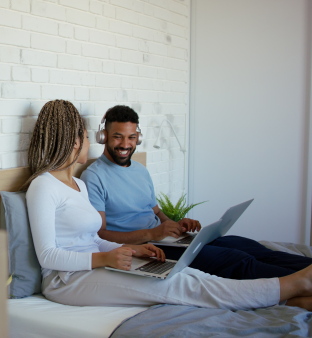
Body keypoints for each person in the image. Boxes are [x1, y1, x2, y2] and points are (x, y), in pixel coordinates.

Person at [24, 99, 312, 310]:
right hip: (68, 281)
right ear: (73, 142)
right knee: (176, 285)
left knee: (184, 274)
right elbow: (48, 256)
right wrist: (106, 258)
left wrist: (131, 251)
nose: (90, 143)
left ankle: (289, 299)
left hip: (96, 264)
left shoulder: (78, 184)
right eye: (87, 137)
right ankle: (291, 285)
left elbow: (90, 239)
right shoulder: (42, 186)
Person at [80, 105, 312, 280]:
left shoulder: (140, 170)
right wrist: (154, 233)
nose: (125, 144)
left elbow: (156, 211)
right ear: (104, 137)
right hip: (150, 248)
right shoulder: (95, 176)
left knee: (245, 245)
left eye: (131, 137)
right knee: (237, 260)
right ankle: (301, 283)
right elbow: (101, 234)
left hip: (168, 239)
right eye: (118, 136)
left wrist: (176, 225)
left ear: (138, 137)